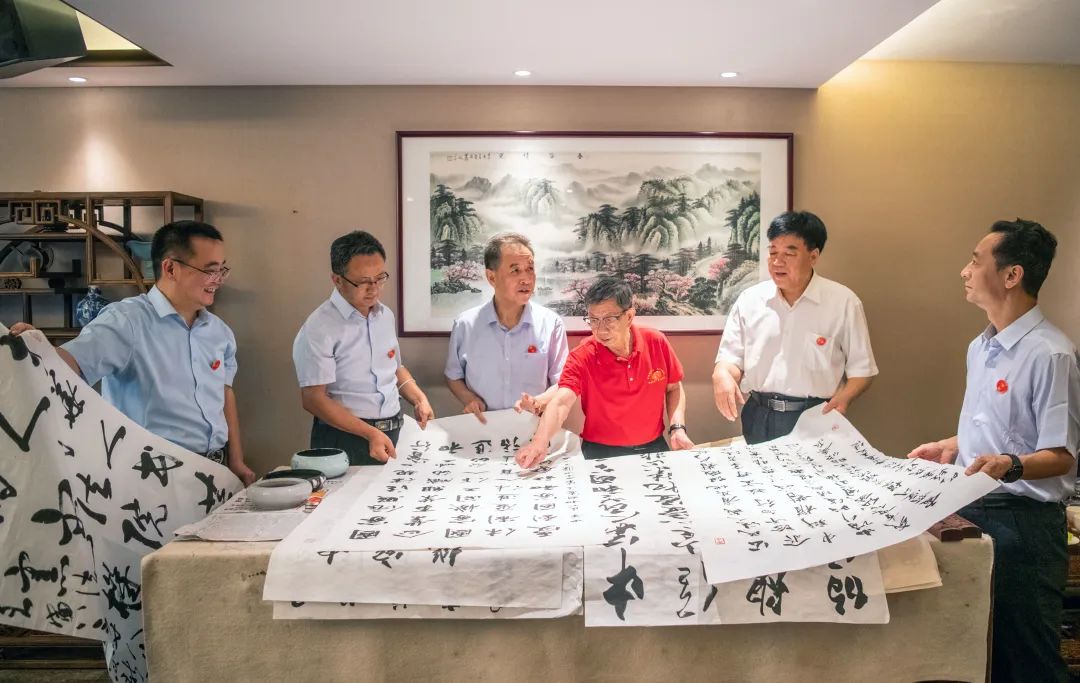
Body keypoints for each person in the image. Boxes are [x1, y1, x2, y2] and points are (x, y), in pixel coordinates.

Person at [907, 218, 1079, 683]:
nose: (965, 271)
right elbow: (1004, 427)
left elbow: (1062, 455)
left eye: (975, 261)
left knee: (1029, 660)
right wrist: (952, 444)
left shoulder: (1051, 354)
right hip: (974, 509)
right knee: (981, 656)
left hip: (1023, 524)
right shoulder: (980, 347)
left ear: (1011, 275)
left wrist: (1010, 465)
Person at [10, 220, 255, 485]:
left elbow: (224, 393)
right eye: (209, 271)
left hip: (216, 470)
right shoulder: (126, 321)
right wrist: (37, 349)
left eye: (221, 270)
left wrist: (236, 460)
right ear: (170, 268)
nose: (217, 280)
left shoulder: (219, 332)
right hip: (151, 476)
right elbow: (71, 363)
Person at [712, 210, 877, 444]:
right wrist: (722, 374)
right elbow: (730, 359)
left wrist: (843, 399)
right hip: (759, 413)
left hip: (816, 416)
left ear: (813, 256)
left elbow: (862, 370)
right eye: (773, 252)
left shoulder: (843, 302)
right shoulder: (750, 300)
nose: (777, 262)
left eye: (789, 253)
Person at [515, 276, 693, 469]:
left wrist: (677, 428)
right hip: (600, 452)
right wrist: (539, 443)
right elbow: (560, 403)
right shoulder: (582, 356)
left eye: (609, 319)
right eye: (593, 320)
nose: (600, 330)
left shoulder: (656, 342)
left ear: (629, 316)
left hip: (653, 446)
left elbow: (674, 388)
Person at [292, 230, 433, 465]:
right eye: (363, 282)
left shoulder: (384, 316)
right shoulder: (320, 327)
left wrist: (419, 399)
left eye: (380, 278)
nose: (374, 289)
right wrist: (369, 433)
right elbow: (313, 399)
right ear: (337, 280)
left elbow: (394, 368)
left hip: (393, 431)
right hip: (345, 438)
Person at [444, 232, 568, 423]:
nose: (526, 279)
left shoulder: (551, 323)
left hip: (533, 427)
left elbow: (563, 381)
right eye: (515, 270)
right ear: (491, 277)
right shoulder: (465, 324)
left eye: (530, 269)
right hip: (483, 427)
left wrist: (538, 402)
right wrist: (470, 399)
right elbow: (453, 376)